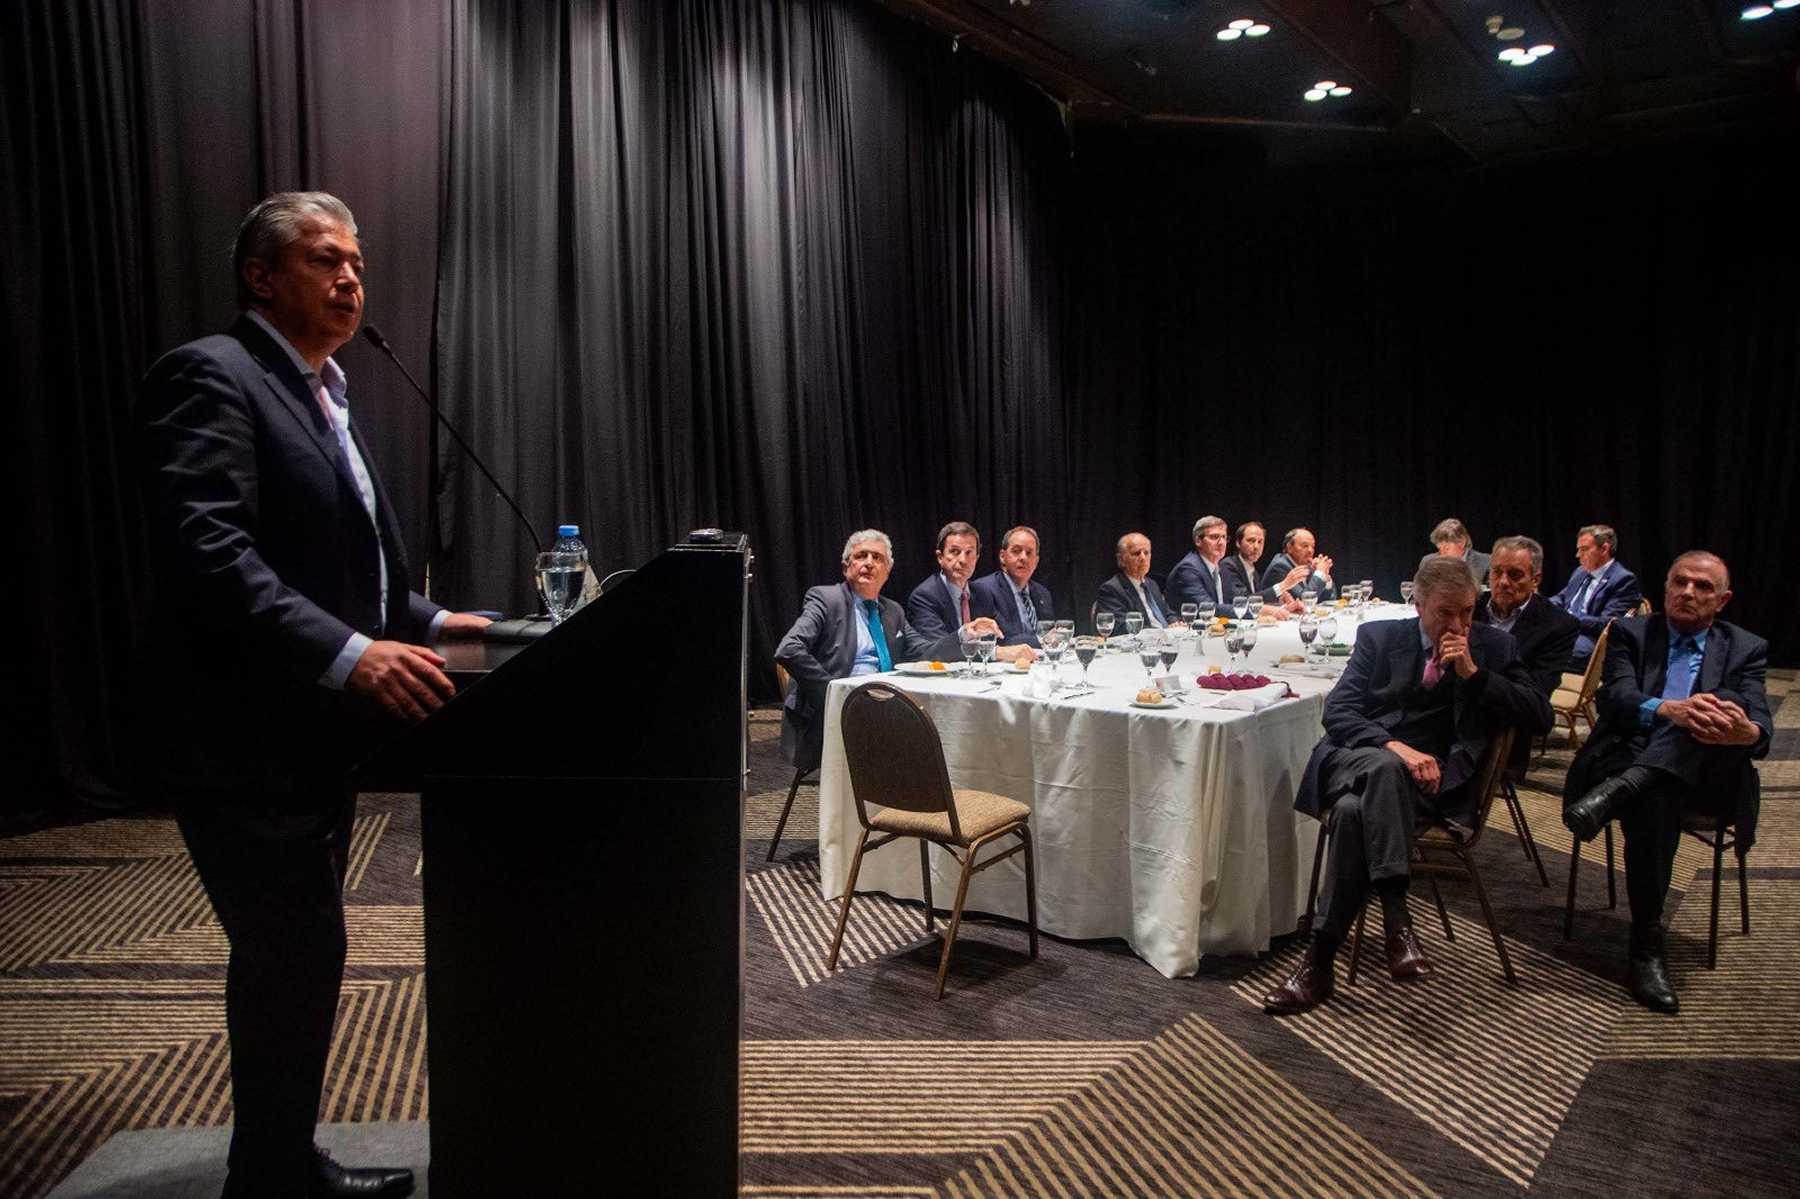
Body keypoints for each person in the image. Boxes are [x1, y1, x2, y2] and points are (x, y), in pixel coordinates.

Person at [138, 193, 493, 1198]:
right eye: (323, 260)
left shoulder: (323, 391)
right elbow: (209, 551)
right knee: (292, 952)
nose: (349, 280)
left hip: (307, 739)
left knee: (298, 953)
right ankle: (273, 1174)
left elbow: (352, 564)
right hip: (239, 734)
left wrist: (427, 620)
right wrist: (349, 650)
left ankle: (277, 1166)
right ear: (261, 275)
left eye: (357, 264)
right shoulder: (214, 376)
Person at [1262, 557, 1551, 1015]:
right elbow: (1338, 714)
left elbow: (1540, 716)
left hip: (1433, 788)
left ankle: (1318, 963)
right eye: (1444, 613)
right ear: (1418, 605)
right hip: (1356, 762)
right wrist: (1396, 747)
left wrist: (1475, 677)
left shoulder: (1493, 648)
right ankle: (1397, 916)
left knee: (1355, 814)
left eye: (1468, 613)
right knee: (1383, 769)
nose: (1457, 625)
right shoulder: (1381, 638)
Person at [1561, 552, 1769, 1014]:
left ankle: (1625, 788)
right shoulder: (1632, 633)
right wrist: (1667, 709)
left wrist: (1744, 732)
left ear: (1723, 600)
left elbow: (1759, 725)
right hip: (1631, 757)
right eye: (1680, 582)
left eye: (1702, 587)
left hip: (1706, 774)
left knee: (1727, 700)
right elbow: (1615, 698)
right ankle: (1646, 945)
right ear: (1667, 585)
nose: (1688, 593)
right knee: (1656, 797)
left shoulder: (1745, 647)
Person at [777, 530, 1021, 773]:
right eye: (862, 556)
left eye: (878, 558)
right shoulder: (825, 599)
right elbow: (790, 649)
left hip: (886, 705)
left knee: (955, 727)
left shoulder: (893, 611)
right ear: (846, 566)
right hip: (839, 711)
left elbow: (926, 653)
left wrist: (964, 634)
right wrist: (832, 691)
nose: (869, 563)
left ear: (888, 571)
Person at [1476, 536, 1579, 777]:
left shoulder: (1557, 626)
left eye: (1514, 575)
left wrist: (1476, 677)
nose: (1502, 582)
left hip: (1502, 734)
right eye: (1496, 572)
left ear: (1536, 579)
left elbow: (1534, 699)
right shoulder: (1470, 608)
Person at [1547, 524, 1643, 667]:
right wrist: (1544, 607)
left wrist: (1570, 620)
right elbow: (1562, 598)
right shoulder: (1580, 571)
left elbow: (1609, 624)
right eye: (1578, 549)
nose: (1578, 555)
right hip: (1565, 630)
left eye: (1584, 549)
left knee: (1542, 649)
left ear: (1604, 548)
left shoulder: (1623, 579)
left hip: (1591, 639)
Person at [969, 525, 1056, 645]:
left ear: (1036, 562)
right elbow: (999, 639)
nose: (1023, 557)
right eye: (1016, 551)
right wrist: (1044, 640)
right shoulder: (983, 589)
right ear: (1002, 557)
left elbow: (1050, 633)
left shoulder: (1043, 593)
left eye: (1029, 553)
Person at [906, 520, 987, 641]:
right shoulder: (924, 597)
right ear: (940, 557)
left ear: (977, 558)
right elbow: (938, 648)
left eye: (969, 552)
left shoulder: (983, 594)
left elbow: (995, 636)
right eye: (955, 552)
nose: (963, 560)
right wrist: (993, 652)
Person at [1220, 521, 1301, 618]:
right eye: (1251, 541)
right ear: (1238, 543)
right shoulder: (1229, 565)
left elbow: (1257, 599)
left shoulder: (1253, 571)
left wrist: (1281, 605)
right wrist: (1282, 586)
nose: (1256, 546)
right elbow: (1242, 601)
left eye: (1260, 541)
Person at [1095, 532, 1172, 629]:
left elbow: (1166, 611)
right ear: (1121, 559)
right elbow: (1121, 626)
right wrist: (1157, 633)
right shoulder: (1111, 589)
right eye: (1136, 553)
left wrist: (1174, 621)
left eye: (1146, 553)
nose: (1143, 558)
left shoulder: (1152, 584)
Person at [1165, 515, 1231, 613]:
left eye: (1224, 537)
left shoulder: (1219, 568)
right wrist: (1254, 611)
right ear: (1198, 541)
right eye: (1214, 537)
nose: (1222, 542)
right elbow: (1207, 608)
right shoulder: (1188, 569)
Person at [1260, 527, 1336, 603]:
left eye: (1312, 546)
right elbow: (1304, 601)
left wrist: (1325, 577)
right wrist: (1319, 573)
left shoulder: (1307, 566)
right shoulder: (1280, 566)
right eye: (1305, 546)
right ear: (1289, 548)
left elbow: (1329, 600)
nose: (1310, 550)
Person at [1416, 517, 1491, 585]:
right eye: (1439, 547)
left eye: (1447, 547)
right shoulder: (1427, 562)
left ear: (1461, 542)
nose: (1442, 552)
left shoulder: (1485, 562)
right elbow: (1417, 596)